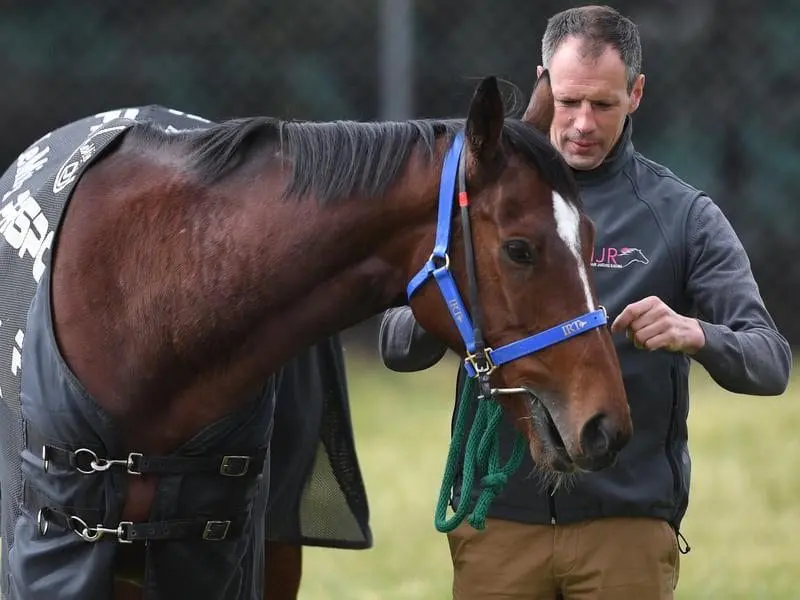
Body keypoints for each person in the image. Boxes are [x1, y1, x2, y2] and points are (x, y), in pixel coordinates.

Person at [378, 5, 792, 599]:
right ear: (543, 82)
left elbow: (770, 362)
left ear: (636, 94)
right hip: (498, 522)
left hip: (624, 527)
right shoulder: (477, 202)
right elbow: (396, 347)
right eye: (569, 101)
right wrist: (459, 299)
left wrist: (695, 332)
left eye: (602, 104)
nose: (581, 123)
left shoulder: (682, 216)